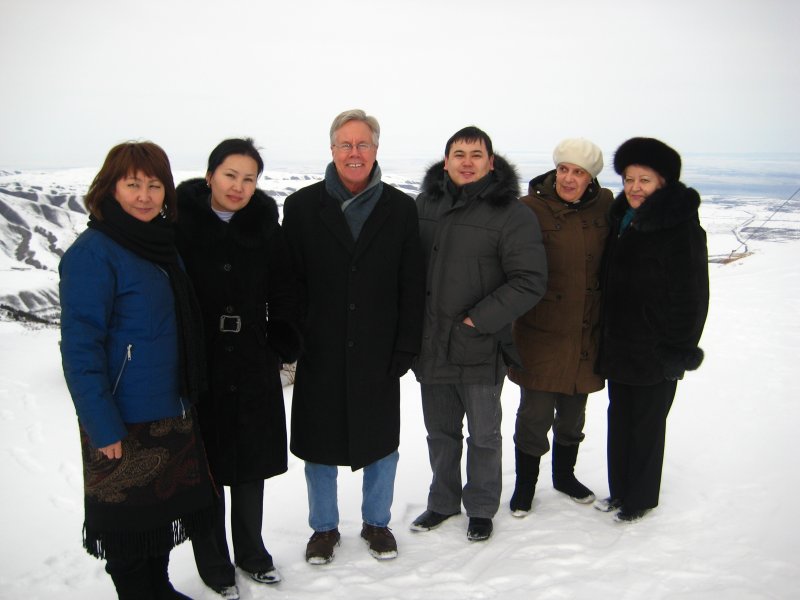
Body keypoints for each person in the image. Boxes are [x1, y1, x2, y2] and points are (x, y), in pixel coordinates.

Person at [59, 142, 216, 599]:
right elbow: (81, 349)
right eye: (133, 185)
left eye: (154, 185)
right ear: (110, 187)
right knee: (126, 530)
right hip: (121, 418)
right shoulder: (93, 253)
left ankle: (159, 589)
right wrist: (101, 424)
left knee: (158, 517)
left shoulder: (161, 246)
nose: (144, 196)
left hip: (169, 407)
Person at [282, 109, 425, 564]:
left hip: (378, 349)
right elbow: (290, 282)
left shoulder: (400, 209)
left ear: (376, 149)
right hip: (320, 348)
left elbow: (411, 283)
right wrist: (294, 336)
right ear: (332, 149)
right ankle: (323, 528)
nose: (354, 153)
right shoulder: (302, 207)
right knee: (319, 446)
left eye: (363, 144)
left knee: (380, 443)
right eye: (345, 144)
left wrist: (405, 345)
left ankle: (377, 523)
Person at [175, 138, 302, 598]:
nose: (239, 186)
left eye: (249, 179)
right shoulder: (180, 226)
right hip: (199, 361)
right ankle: (213, 564)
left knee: (250, 466)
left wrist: (279, 342)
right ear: (210, 175)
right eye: (230, 175)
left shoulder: (266, 228)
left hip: (252, 359)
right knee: (204, 467)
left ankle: (252, 553)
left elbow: (286, 290)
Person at [410, 126, 547, 541]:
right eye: (459, 154)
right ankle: (442, 502)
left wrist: (478, 321)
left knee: (484, 435)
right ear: (446, 160)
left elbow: (529, 280)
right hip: (431, 343)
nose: (467, 162)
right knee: (441, 433)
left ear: (490, 161)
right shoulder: (424, 205)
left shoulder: (511, 213)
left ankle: (482, 508)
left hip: (480, 345)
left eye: (476, 155)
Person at [595, 137, 709, 523]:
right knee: (620, 420)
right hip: (620, 346)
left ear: (663, 182)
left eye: (644, 180)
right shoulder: (623, 220)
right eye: (629, 179)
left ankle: (640, 498)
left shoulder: (680, 229)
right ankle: (620, 490)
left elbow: (693, 296)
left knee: (646, 426)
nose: (634, 187)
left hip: (655, 349)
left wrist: (677, 350)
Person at [507, 138, 613, 516]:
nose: (568, 178)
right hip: (541, 334)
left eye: (578, 172)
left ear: (591, 178)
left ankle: (564, 476)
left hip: (586, 334)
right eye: (563, 169)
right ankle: (525, 487)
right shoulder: (528, 209)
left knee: (572, 416)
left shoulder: (605, 207)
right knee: (534, 417)